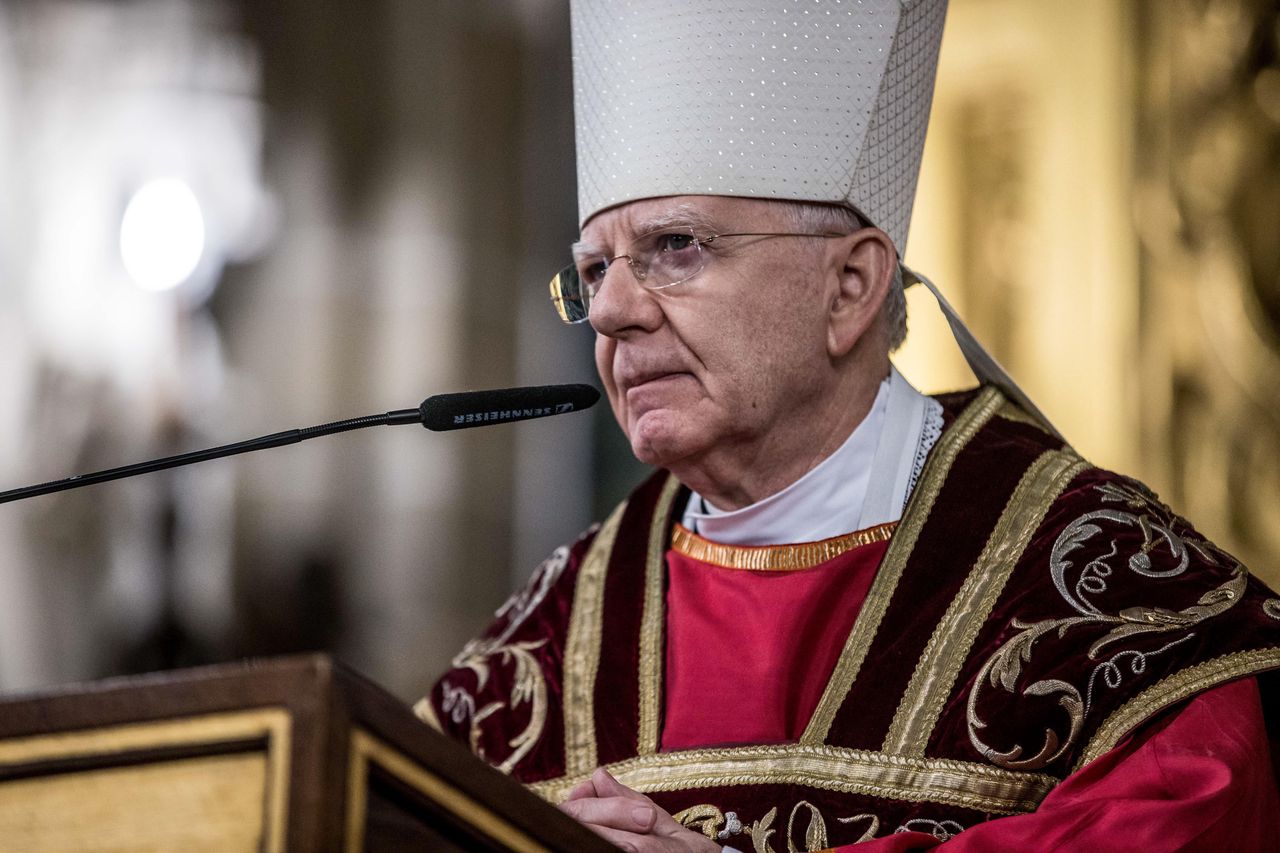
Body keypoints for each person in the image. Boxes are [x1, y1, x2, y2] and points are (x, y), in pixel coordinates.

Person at [416, 1, 1280, 849]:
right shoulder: (547, 641)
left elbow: (1203, 811)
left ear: (852, 288)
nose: (609, 310)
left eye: (674, 247)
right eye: (594, 269)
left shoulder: (1095, 578)